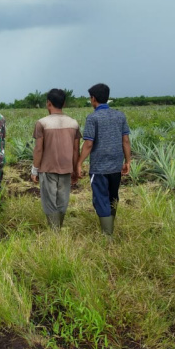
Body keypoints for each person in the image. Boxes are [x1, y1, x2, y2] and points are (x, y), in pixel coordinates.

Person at [76, 83, 131, 236]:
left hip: (99, 167)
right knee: (113, 196)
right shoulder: (120, 116)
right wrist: (128, 161)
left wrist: (79, 163)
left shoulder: (93, 118)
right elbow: (125, 140)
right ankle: (110, 227)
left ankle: (107, 236)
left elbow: (88, 143)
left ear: (93, 99)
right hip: (116, 166)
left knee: (101, 198)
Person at [31, 88, 81, 230]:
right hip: (66, 168)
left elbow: (38, 149)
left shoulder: (42, 123)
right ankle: (58, 228)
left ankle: (55, 233)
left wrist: (35, 170)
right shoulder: (73, 123)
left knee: (49, 202)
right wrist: (75, 169)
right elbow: (76, 149)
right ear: (64, 103)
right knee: (62, 200)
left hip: (47, 168)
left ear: (48, 103)